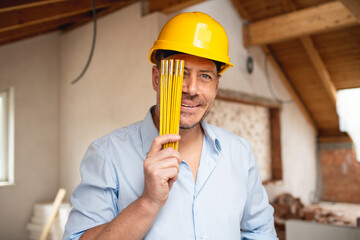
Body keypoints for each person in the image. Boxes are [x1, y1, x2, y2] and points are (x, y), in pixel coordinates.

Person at [63, 12, 278, 240]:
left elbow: (260, 232)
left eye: (205, 76)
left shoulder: (240, 152)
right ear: (156, 78)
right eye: (181, 74)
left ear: (216, 86)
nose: (192, 89)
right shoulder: (108, 155)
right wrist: (148, 202)